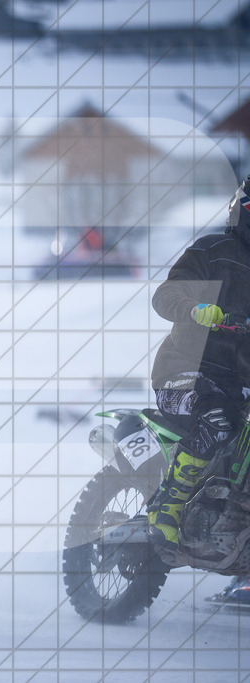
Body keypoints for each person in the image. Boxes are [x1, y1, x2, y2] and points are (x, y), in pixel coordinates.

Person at [147, 176, 250, 556]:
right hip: (186, 375)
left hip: (241, 383)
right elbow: (166, 294)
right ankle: (168, 506)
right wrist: (194, 308)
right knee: (220, 418)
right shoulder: (213, 250)